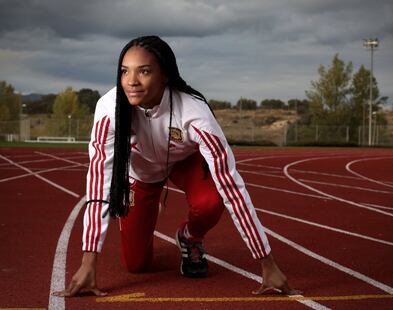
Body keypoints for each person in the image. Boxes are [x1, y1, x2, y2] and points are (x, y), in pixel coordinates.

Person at [53, 35, 299, 297]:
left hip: (184, 162)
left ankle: (190, 237)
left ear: (165, 75)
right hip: (142, 171)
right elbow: (99, 185)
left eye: (144, 71)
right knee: (136, 266)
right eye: (124, 71)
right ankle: (145, 211)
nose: (131, 81)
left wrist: (266, 262)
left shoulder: (195, 112)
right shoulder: (108, 108)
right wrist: (88, 263)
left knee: (211, 200)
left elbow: (232, 187)